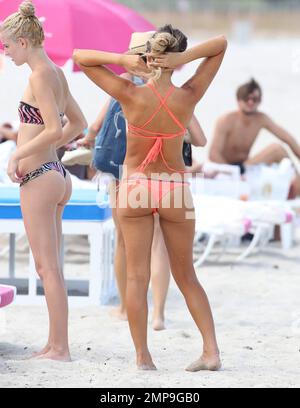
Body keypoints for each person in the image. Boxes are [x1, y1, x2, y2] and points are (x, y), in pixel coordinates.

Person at [73, 24, 227, 371]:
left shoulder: (129, 93)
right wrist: (184, 58)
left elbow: (80, 58)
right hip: (173, 186)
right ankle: (211, 352)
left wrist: (124, 61)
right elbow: (220, 44)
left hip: (137, 186)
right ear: (175, 59)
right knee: (187, 276)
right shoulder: (188, 95)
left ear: (148, 56)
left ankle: (143, 357)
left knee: (136, 277)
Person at [77, 67, 206, 329]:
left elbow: (95, 125)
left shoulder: (127, 88)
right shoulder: (178, 95)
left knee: (125, 244)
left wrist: (89, 140)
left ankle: (125, 308)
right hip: (171, 181)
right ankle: (158, 314)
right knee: (161, 247)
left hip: (132, 177)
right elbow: (200, 139)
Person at [0, 1, 87, 361]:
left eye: (6, 46)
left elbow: (53, 128)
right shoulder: (56, 72)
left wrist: (18, 153)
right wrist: (41, 149)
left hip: (39, 177)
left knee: (46, 267)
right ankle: (55, 344)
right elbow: (77, 124)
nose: (4, 52)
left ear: (22, 41)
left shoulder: (38, 75)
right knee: (52, 267)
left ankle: (60, 348)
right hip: (56, 175)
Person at [209, 78, 300, 195]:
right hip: (227, 169)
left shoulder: (261, 119)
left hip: (246, 166)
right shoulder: (226, 120)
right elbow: (213, 154)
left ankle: (298, 184)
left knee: (278, 149)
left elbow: (287, 138)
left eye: (254, 99)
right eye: (246, 98)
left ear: (260, 101)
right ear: (238, 100)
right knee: (276, 148)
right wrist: (232, 173)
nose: (250, 102)